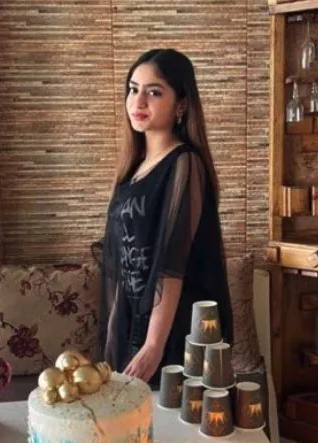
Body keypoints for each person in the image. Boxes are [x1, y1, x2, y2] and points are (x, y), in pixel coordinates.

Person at [98, 48, 233, 388]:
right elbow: (121, 262)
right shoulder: (133, 170)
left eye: (154, 92)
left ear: (181, 104)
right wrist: (113, 336)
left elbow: (172, 264)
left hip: (172, 329)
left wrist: (153, 345)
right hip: (133, 323)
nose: (138, 101)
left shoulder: (184, 164)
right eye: (133, 89)